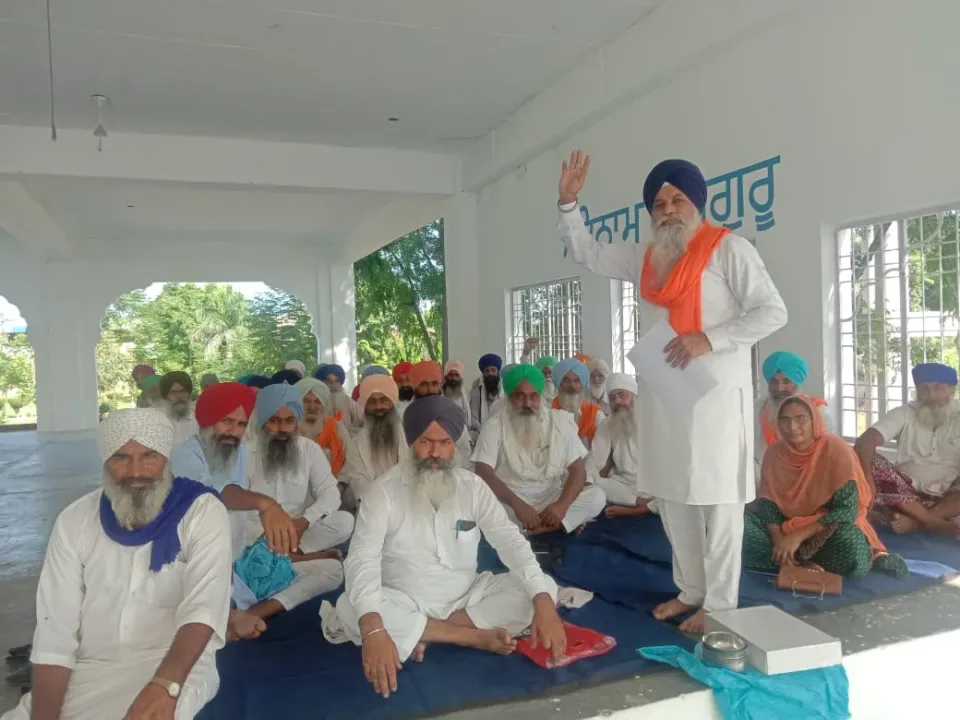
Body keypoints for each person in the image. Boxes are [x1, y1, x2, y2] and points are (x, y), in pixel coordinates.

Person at [558, 151, 787, 632]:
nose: (668, 210)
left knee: (719, 504)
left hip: (716, 402)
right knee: (673, 496)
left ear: (697, 204)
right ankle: (692, 591)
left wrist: (711, 338)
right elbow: (589, 253)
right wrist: (569, 203)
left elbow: (772, 311)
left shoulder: (729, 250)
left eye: (677, 200)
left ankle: (720, 606)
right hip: (665, 398)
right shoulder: (647, 258)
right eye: (659, 204)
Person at [323, 396, 565, 699]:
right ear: (411, 441)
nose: (435, 453)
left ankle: (425, 633)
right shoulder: (383, 492)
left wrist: (542, 602)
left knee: (544, 588)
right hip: (404, 598)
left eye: (445, 442)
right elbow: (362, 558)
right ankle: (469, 637)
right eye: (425, 441)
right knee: (351, 607)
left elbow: (509, 540)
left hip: (467, 596)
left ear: (454, 445)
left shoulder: (473, 487)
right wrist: (373, 628)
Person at [3, 409, 232, 720]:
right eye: (121, 457)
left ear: (166, 458)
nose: (136, 471)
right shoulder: (75, 520)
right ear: (105, 461)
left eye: (149, 456)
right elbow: (55, 633)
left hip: (175, 666)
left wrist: (164, 686)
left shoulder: (202, 512)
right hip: (87, 670)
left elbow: (203, 609)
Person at [223, 384, 353, 621]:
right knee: (229, 525)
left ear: (297, 421)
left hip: (296, 536)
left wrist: (305, 521)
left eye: (289, 421)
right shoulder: (244, 453)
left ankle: (259, 609)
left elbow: (330, 493)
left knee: (344, 524)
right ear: (262, 421)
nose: (282, 428)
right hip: (252, 543)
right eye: (274, 421)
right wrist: (265, 511)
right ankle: (289, 566)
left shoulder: (309, 450)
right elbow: (228, 493)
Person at [745, 396, 907, 578]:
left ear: (814, 420)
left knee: (852, 547)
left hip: (826, 531)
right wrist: (779, 541)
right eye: (785, 420)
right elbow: (768, 504)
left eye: (800, 419)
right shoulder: (774, 454)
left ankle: (785, 564)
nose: (792, 427)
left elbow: (847, 510)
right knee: (740, 525)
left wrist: (796, 537)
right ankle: (797, 564)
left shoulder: (836, 450)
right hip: (784, 529)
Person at [472, 364, 605, 535]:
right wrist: (517, 504)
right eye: (520, 396)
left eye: (533, 396)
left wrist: (562, 505)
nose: (528, 404)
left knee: (597, 496)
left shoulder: (559, 422)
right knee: (479, 504)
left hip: (550, 499)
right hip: (510, 503)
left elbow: (577, 470)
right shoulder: (494, 426)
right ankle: (562, 524)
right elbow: (483, 471)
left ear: (541, 396)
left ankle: (536, 529)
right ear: (509, 397)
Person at [855, 363, 960, 539]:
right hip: (903, 495)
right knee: (866, 459)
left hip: (946, 499)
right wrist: (867, 479)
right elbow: (865, 441)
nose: (931, 395)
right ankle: (931, 522)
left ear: (951, 390)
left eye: (938, 388)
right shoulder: (905, 412)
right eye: (924, 389)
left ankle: (916, 522)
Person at [586, 373, 655, 518]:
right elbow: (594, 460)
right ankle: (638, 503)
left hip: (655, 486)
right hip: (624, 486)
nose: (617, 401)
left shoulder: (655, 420)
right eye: (612, 398)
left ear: (634, 396)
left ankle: (641, 507)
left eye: (622, 395)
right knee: (593, 482)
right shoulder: (607, 424)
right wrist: (587, 481)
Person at [170, 382, 255, 492]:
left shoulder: (245, 452)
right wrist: (259, 501)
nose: (234, 432)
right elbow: (208, 492)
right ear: (209, 422)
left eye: (241, 424)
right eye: (227, 421)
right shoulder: (182, 454)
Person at [756, 351, 830, 476]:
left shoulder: (817, 410)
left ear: (797, 382)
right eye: (774, 381)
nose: (779, 388)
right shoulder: (759, 407)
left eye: (786, 381)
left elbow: (825, 456)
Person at [342, 375, 408, 507]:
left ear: (393, 401)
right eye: (372, 402)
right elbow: (358, 482)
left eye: (383, 400)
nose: (378, 406)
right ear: (365, 405)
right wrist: (380, 503)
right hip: (373, 504)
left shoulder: (409, 435)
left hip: (407, 501)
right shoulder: (356, 444)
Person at [407, 360, 474, 467]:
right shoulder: (405, 416)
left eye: (434, 384)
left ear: (440, 384)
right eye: (423, 384)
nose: (430, 390)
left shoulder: (452, 413)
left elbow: (465, 452)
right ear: (415, 386)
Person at [295, 377, 349, 477]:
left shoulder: (337, 428)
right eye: (306, 401)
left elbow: (349, 462)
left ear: (324, 404)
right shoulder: (289, 430)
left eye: (318, 401)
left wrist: (339, 484)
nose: (312, 407)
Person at [551, 357, 604, 449]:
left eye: (576, 381)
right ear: (560, 383)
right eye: (566, 380)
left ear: (582, 384)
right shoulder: (549, 411)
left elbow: (602, 449)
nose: (572, 385)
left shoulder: (595, 415)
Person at [159, 371, 200, 447]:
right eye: (173, 392)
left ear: (189, 394)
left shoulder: (199, 419)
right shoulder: (157, 421)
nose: (179, 396)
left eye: (183, 391)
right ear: (165, 396)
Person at [470, 353, 503, 433]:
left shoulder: (505, 388)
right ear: (483, 373)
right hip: (481, 431)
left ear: (498, 372)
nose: (490, 373)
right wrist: (481, 428)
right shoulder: (477, 388)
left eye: (493, 370)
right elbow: (472, 416)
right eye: (487, 371)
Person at [442, 360, 473, 427]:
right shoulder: (440, 394)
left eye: (457, 375)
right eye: (450, 375)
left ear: (461, 377)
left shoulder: (466, 394)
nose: (453, 378)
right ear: (446, 376)